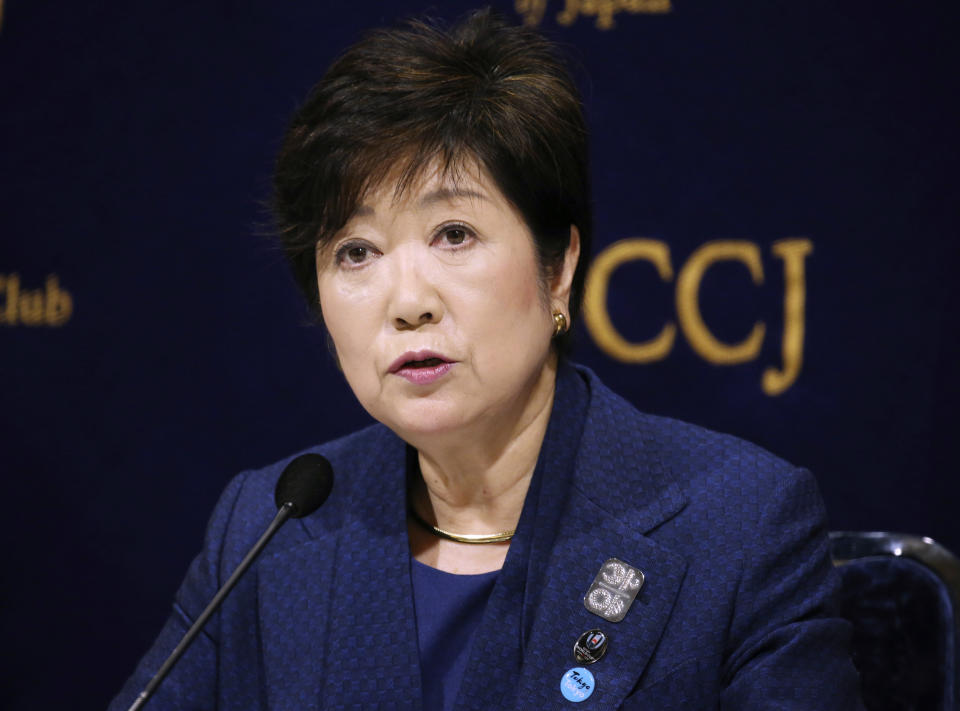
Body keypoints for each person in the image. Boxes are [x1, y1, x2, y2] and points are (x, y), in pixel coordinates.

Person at [110, 9, 863, 710]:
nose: (408, 300)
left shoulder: (740, 526)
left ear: (558, 267)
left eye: (454, 235)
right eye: (357, 251)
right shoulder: (265, 526)